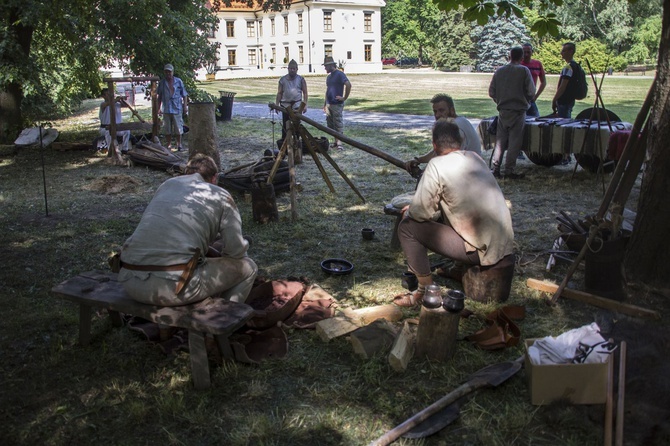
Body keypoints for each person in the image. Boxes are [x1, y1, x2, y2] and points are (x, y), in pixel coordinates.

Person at [393, 119, 514, 307]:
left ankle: (424, 291)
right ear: (460, 141)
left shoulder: (436, 165)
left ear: (434, 145)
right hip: (504, 243)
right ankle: (458, 269)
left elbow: (420, 213)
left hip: (481, 249)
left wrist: (412, 210)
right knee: (451, 210)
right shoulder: (475, 158)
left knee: (407, 227)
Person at [118, 154, 257, 307]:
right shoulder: (220, 195)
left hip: (129, 280)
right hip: (173, 288)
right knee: (249, 267)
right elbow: (236, 252)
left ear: (185, 173)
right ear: (214, 178)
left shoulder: (167, 185)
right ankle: (220, 320)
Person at [489, 46, 536, 180]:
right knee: (514, 142)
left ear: (509, 56)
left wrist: (500, 101)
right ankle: (509, 170)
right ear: (521, 57)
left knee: (500, 141)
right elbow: (531, 92)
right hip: (518, 111)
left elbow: (491, 92)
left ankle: (495, 169)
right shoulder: (524, 71)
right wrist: (525, 100)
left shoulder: (500, 71)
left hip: (503, 111)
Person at [404, 94, 482, 173]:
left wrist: (425, 173)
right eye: (435, 111)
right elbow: (439, 151)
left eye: (441, 110)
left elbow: (447, 157)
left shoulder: (456, 126)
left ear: (452, 110)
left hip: (470, 173)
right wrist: (418, 160)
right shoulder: (459, 121)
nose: (437, 115)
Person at [552, 42, 582, 165]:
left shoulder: (568, 68)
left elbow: (563, 86)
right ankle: (566, 156)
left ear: (570, 51)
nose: (561, 53)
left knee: (563, 129)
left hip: (564, 101)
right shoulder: (576, 66)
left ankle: (565, 157)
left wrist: (554, 99)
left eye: (564, 51)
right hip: (570, 100)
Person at [157, 63, 188, 152]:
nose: (168, 74)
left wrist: (185, 106)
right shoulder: (162, 83)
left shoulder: (179, 81)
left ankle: (179, 144)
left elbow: (184, 95)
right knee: (167, 128)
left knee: (178, 128)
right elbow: (159, 97)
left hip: (177, 108)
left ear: (173, 72)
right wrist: (158, 108)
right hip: (166, 108)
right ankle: (169, 145)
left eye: (169, 72)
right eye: (166, 72)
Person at [322, 56, 351, 150]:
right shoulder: (329, 77)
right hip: (329, 103)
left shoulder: (339, 74)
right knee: (331, 124)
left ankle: (339, 143)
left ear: (331, 65)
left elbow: (348, 85)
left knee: (338, 123)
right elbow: (327, 90)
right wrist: (325, 104)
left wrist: (344, 97)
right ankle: (335, 141)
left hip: (336, 104)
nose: (325, 68)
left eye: (326, 66)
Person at [276, 59, 308, 139]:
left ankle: (297, 142)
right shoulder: (282, 80)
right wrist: (277, 104)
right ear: (288, 69)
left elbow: (305, 93)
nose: (292, 70)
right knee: (286, 125)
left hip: (297, 105)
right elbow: (279, 93)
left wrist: (305, 105)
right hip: (285, 105)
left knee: (296, 124)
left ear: (297, 69)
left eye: (294, 68)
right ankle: (285, 142)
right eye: (291, 68)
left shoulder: (301, 79)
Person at [99, 88, 131, 153]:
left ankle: (125, 149)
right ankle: (111, 150)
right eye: (107, 94)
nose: (110, 95)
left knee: (127, 131)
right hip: (105, 128)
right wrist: (117, 99)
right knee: (108, 132)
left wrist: (121, 100)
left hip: (117, 127)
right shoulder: (103, 104)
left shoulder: (117, 103)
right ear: (103, 96)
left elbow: (127, 105)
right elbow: (110, 103)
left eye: (110, 94)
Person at [520, 43, 547, 118]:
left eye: (528, 52)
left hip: (530, 99)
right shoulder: (518, 64)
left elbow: (543, 82)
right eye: (524, 52)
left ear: (532, 52)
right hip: (519, 99)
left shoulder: (537, 64)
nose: (526, 54)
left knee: (536, 120)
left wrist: (536, 96)